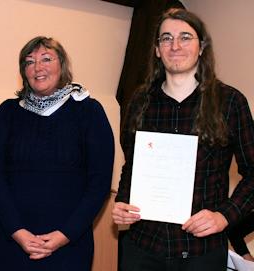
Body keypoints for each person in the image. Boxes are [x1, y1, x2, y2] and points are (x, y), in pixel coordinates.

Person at [112, 8, 254, 271]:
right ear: (157, 49)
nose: (174, 45)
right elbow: (131, 166)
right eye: (166, 38)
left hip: (202, 251)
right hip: (141, 248)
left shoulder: (230, 102)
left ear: (202, 47)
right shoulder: (139, 101)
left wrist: (225, 216)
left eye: (185, 37)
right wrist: (122, 200)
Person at [0, 36, 114, 270]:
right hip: (12, 241)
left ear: (62, 65)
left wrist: (65, 235)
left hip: (69, 244)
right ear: (23, 71)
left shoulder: (89, 111)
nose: (38, 67)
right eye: (29, 62)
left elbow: (100, 182)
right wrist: (18, 231)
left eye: (47, 59)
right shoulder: (7, 112)